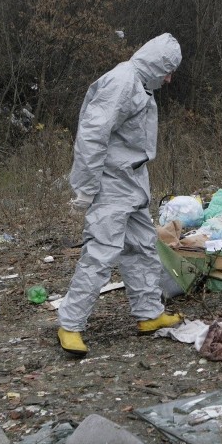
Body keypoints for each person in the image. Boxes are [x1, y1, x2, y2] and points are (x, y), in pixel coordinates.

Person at [57, 33, 183, 356]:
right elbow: (92, 135)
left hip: (132, 182)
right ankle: (70, 324)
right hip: (112, 184)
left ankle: (149, 313)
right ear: (156, 63)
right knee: (101, 253)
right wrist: (85, 188)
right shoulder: (122, 82)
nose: (169, 79)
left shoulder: (140, 84)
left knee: (142, 248)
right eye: (167, 70)